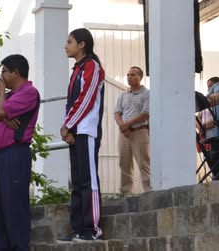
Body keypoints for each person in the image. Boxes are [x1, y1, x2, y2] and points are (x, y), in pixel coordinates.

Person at [0, 54, 40, 251]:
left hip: (14, 154)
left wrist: (0, 97)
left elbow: (2, 111)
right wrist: (3, 116)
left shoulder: (29, 92)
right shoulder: (9, 96)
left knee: (14, 207)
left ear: (15, 72)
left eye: (4, 71)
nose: (1, 76)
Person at [58, 28, 105, 243]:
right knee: (77, 181)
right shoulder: (76, 69)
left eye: (70, 42)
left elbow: (86, 98)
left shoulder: (92, 66)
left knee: (89, 181)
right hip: (76, 130)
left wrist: (68, 124)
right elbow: (71, 101)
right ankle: (78, 228)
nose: (66, 46)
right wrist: (67, 127)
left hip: (86, 130)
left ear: (82, 44)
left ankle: (92, 229)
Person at [114, 66, 150, 194]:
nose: (129, 77)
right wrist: (122, 126)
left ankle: (149, 191)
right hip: (124, 133)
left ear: (140, 77)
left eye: (133, 75)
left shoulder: (146, 93)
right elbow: (117, 112)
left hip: (139, 131)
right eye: (128, 75)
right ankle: (125, 192)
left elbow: (145, 113)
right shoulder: (123, 95)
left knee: (143, 163)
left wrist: (127, 124)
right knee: (124, 163)